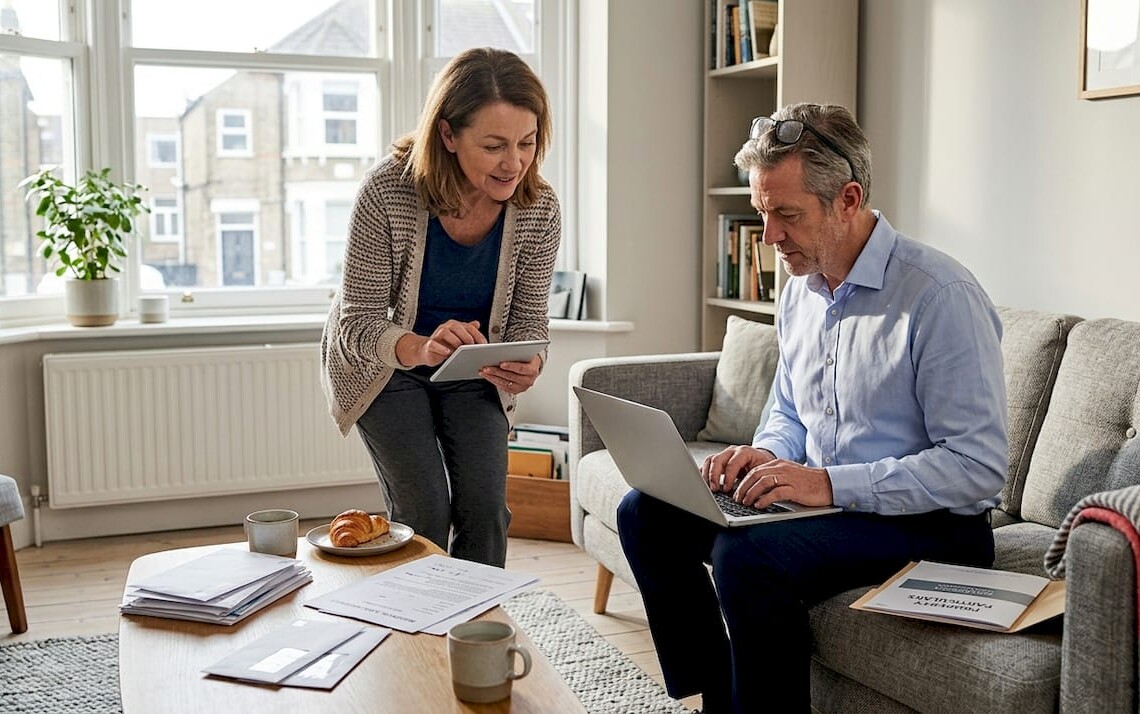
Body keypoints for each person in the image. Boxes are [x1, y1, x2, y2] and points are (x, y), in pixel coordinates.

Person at [616, 103, 1008, 713]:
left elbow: (976, 469)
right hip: (830, 505)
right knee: (646, 512)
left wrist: (827, 484)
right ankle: (718, 697)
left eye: (787, 216)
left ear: (848, 199)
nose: (770, 237)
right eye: (762, 213)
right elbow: (791, 411)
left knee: (745, 557)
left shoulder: (939, 296)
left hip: (935, 524)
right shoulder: (800, 288)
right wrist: (766, 454)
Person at [320, 47, 561, 567]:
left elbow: (530, 319)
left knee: (486, 511)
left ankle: (476, 633)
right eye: (494, 145)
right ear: (447, 135)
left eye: (527, 142)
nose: (514, 163)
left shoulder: (539, 206)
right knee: (423, 512)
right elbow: (355, 323)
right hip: (385, 368)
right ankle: (412, 637)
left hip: (474, 370)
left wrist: (532, 362)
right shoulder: (387, 190)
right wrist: (421, 347)